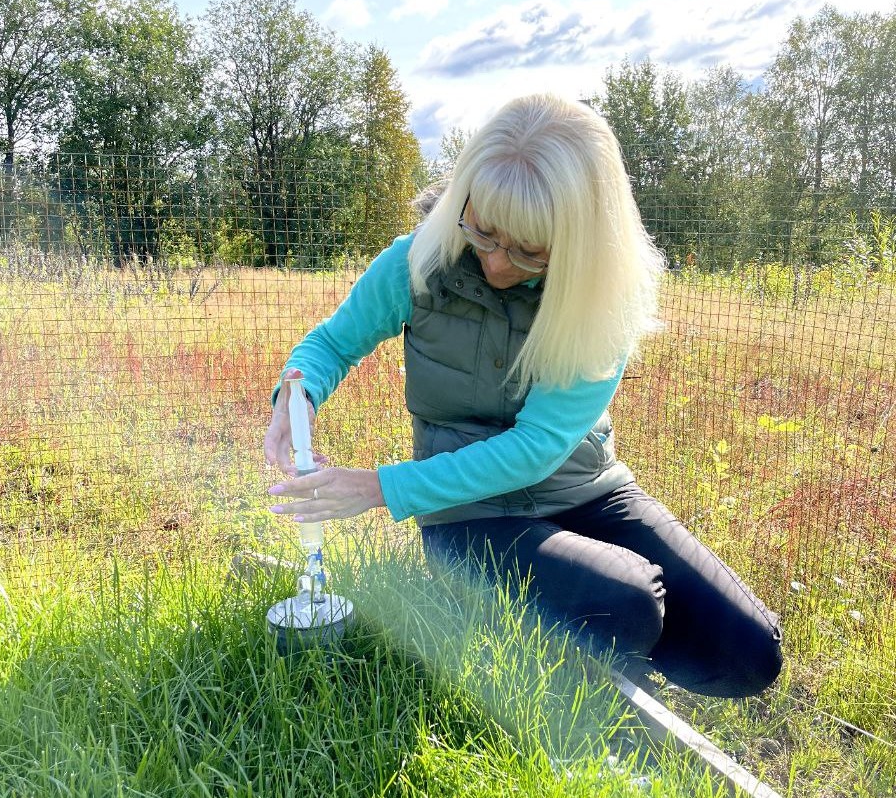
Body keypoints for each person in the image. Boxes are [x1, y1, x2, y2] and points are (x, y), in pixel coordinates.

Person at [263, 94, 782, 698]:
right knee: (629, 603)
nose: (496, 263)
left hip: (585, 492)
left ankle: (564, 624)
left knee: (747, 653)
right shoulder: (416, 263)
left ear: (581, 245)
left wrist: (380, 487)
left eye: (528, 249)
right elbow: (330, 346)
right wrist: (293, 397)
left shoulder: (600, 301)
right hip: (469, 513)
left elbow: (536, 448)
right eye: (482, 230)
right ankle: (557, 634)